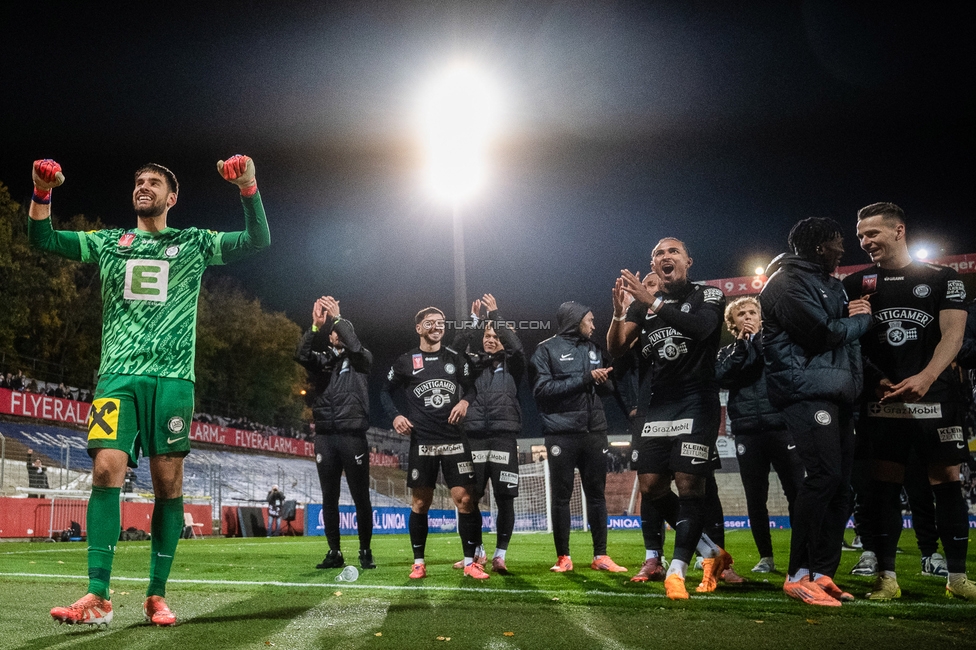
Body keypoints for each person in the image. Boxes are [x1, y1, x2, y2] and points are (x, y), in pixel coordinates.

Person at [30, 155, 270, 626]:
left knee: (167, 483)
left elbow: (256, 240)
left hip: (173, 379)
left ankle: (156, 594)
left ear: (171, 197)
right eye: (139, 181)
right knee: (105, 469)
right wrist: (42, 192)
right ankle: (98, 595)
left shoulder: (194, 242)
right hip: (116, 377)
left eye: (154, 182)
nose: (144, 186)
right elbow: (43, 238)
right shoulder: (108, 243)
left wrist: (248, 186)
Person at [842, 202, 974, 601]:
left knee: (946, 482)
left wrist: (927, 376)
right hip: (883, 399)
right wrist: (876, 379)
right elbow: (851, 344)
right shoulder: (856, 283)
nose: (865, 242)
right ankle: (886, 578)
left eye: (872, 233)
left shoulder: (942, 278)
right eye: (860, 236)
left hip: (936, 396)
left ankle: (957, 579)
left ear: (899, 231)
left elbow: (953, 336)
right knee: (884, 487)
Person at [611, 238, 732, 600]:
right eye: (658, 254)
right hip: (659, 406)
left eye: (673, 252)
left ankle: (677, 570)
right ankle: (710, 550)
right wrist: (618, 314)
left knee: (690, 484)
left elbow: (703, 329)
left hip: (697, 400)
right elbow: (617, 349)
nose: (666, 257)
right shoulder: (642, 307)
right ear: (654, 265)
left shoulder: (707, 294)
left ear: (688, 261)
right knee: (651, 487)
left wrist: (653, 303)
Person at [761, 217, 872, 607]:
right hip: (805, 392)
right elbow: (823, 334)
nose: (843, 249)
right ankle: (797, 575)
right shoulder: (785, 283)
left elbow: (846, 344)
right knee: (824, 477)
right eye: (838, 241)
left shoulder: (832, 285)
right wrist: (861, 319)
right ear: (820, 246)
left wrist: (861, 383)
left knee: (841, 487)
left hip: (839, 393)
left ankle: (823, 572)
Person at [380, 307, 488, 580]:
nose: (437, 327)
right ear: (419, 328)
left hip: (454, 439)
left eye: (440, 323)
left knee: (465, 500)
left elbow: (472, 387)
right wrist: (396, 416)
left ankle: (470, 562)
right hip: (423, 441)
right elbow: (385, 392)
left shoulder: (455, 358)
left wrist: (465, 402)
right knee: (420, 502)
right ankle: (418, 563)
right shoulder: (406, 361)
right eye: (430, 323)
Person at [530, 301, 626, 575]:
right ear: (575, 320)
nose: (594, 325)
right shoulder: (545, 350)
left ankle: (601, 555)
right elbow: (541, 389)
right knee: (561, 496)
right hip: (561, 433)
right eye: (590, 320)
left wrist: (605, 381)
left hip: (595, 432)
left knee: (596, 494)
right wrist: (586, 378)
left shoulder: (594, 349)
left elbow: (606, 389)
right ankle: (563, 557)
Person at [715, 296, 804, 573]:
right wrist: (743, 346)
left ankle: (802, 557)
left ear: (761, 317)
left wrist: (758, 342)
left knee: (797, 493)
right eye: (741, 314)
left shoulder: (776, 344)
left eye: (752, 312)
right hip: (747, 431)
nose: (748, 317)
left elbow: (783, 368)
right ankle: (766, 557)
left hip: (781, 426)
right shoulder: (727, 352)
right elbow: (722, 377)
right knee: (755, 499)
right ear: (732, 323)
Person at [295, 295, 376, 570]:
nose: (338, 335)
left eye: (342, 331)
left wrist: (339, 318)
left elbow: (353, 343)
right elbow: (301, 355)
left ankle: (365, 550)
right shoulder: (323, 361)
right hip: (325, 437)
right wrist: (315, 327)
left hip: (352, 435)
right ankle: (334, 552)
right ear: (330, 338)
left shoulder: (362, 358)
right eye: (334, 332)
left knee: (360, 497)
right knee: (329, 497)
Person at [451, 294, 525, 573]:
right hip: (474, 437)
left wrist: (495, 316)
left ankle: (499, 555)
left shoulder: (514, 365)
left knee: (505, 498)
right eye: (487, 335)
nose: (490, 339)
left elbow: (517, 348)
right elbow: (454, 350)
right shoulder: (471, 364)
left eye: (496, 336)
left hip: (504, 437)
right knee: (468, 498)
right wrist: (474, 321)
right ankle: (476, 551)